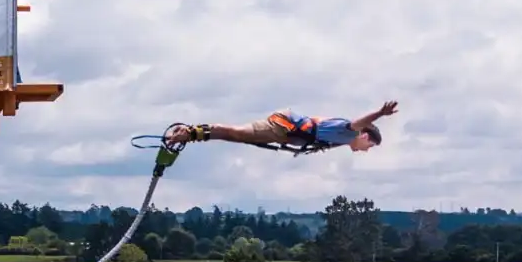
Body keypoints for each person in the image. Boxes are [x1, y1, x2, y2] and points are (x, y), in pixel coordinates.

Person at [166, 101, 398, 153]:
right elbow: (359, 122)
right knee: (236, 133)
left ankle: (193, 134)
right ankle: (189, 132)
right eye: (370, 146)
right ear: (365, 136)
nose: (366, 150)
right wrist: (379, 114)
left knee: (235, 137)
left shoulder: (342, 140)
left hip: (286, 134)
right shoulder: (350, 131)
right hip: (284, 126)